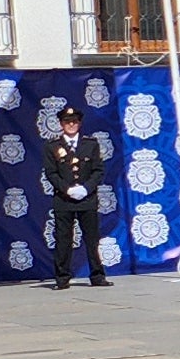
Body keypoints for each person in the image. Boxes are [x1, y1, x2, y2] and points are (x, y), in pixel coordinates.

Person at [37, 103, 111, 287]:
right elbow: (51, 173)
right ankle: (62, 278)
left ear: (80, 123)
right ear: (61, 124)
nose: (71, 125)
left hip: (87, 199)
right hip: (64, 200)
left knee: (92, 239)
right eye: (67, 122)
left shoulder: (90, 144)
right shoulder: (52, 146)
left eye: (75, 122)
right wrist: (67, 189)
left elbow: (98, 171)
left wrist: (86, 188)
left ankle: (97, 276)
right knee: (63, 240)